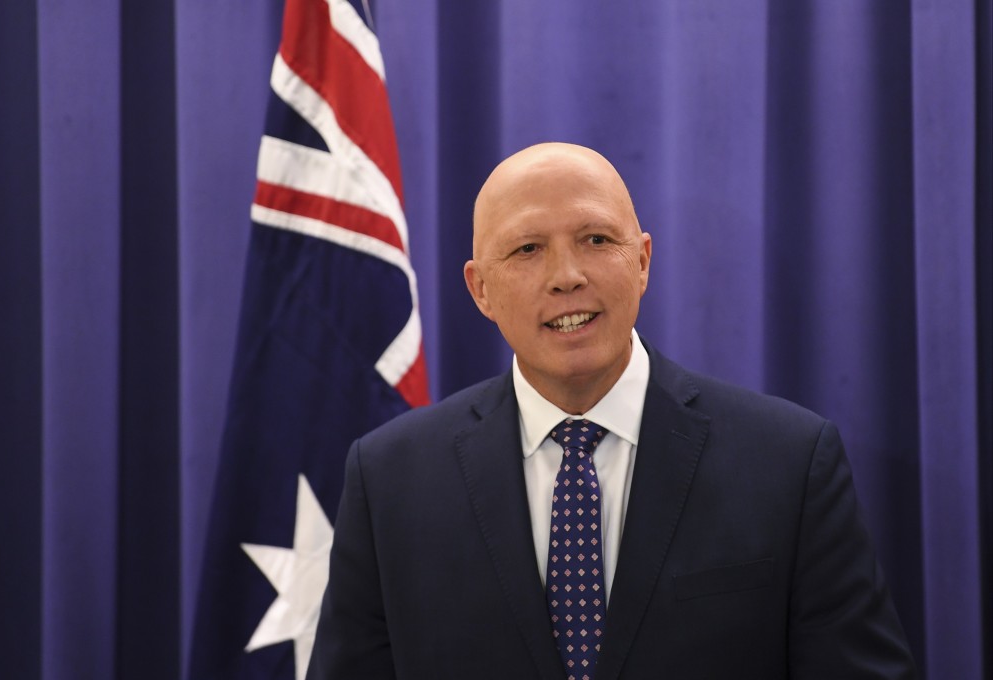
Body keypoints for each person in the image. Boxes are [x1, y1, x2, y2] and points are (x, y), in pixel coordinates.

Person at [307, 143, 917, 679]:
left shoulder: (790, 463)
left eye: (596, 240)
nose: (567, 276)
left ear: (643, 260)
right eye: (527, 249)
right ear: (480, 289)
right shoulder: (390, 480)